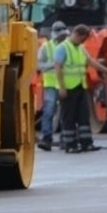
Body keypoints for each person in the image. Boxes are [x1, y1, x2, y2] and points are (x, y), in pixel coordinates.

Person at [54, 24, 107, 153]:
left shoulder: (81, 48)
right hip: (68, 89)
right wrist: (62, 87)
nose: (83, 41)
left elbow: (91, 62)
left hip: (80, 87)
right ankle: (70, 144)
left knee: (83, 116)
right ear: (77, 34)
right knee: (69, 117)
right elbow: (57, 68)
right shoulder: (62, 48)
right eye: (82, 38)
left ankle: (86, 143)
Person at [36, 21, 69, 151]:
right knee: (49, 112)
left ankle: (65, 138)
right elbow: (39, 65)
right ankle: (47, 138)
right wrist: (54, 65)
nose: (63, 37)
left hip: (65, 84)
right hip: (51, 84)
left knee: (65, 112)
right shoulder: (46, 47)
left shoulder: (68, 46)